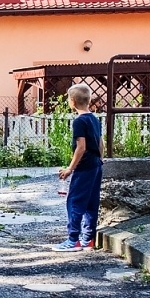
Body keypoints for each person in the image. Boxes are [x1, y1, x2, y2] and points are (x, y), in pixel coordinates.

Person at [54, 83, 103, 251]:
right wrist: (100, 160)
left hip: (84, 167)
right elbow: (100, 143)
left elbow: (81, 147)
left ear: (72, 101)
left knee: (74, 201)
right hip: (96, 165)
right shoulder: (94, 119)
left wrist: (70, 168)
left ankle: (73, 240)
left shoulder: (79, 121)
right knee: (91, 201)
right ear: (88, 101)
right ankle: (88, 239)